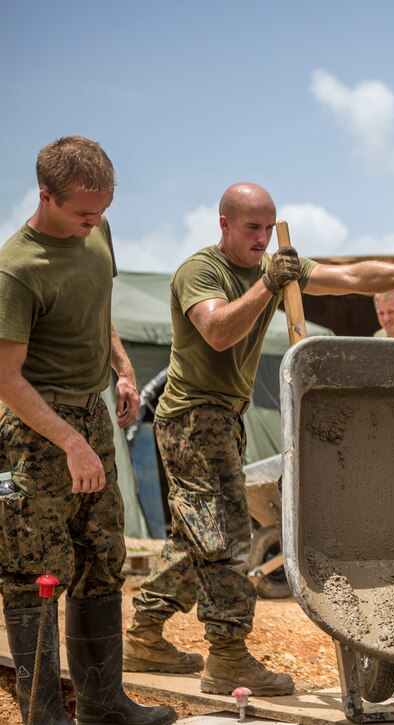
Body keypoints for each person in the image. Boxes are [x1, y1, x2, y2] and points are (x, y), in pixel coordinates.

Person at [123, 182, 394, 696]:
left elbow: (350, 277)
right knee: (228, 540)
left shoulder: (273, 267)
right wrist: (267, 286)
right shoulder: (201, 271)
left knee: (197, 538)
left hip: (224, 418)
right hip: (192, 417)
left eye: (267, 226)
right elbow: (217, 331)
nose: (262, 238)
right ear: (224, 225)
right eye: (251, 228)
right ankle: (228, 659)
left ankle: (144, 634)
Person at [0, 136, 176, 724]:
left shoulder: (96, 230)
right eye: (82, 213)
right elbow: (6, 378)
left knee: (103, 555)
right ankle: (45, 716)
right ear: (45, 195)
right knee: (35, 572)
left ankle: (104, 706)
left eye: (102, 212)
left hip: (91, 413)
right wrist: (70, 442)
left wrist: (123, 371)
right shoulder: (16, 269)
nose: (94, 223)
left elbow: (99, 309)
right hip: (35, 429)